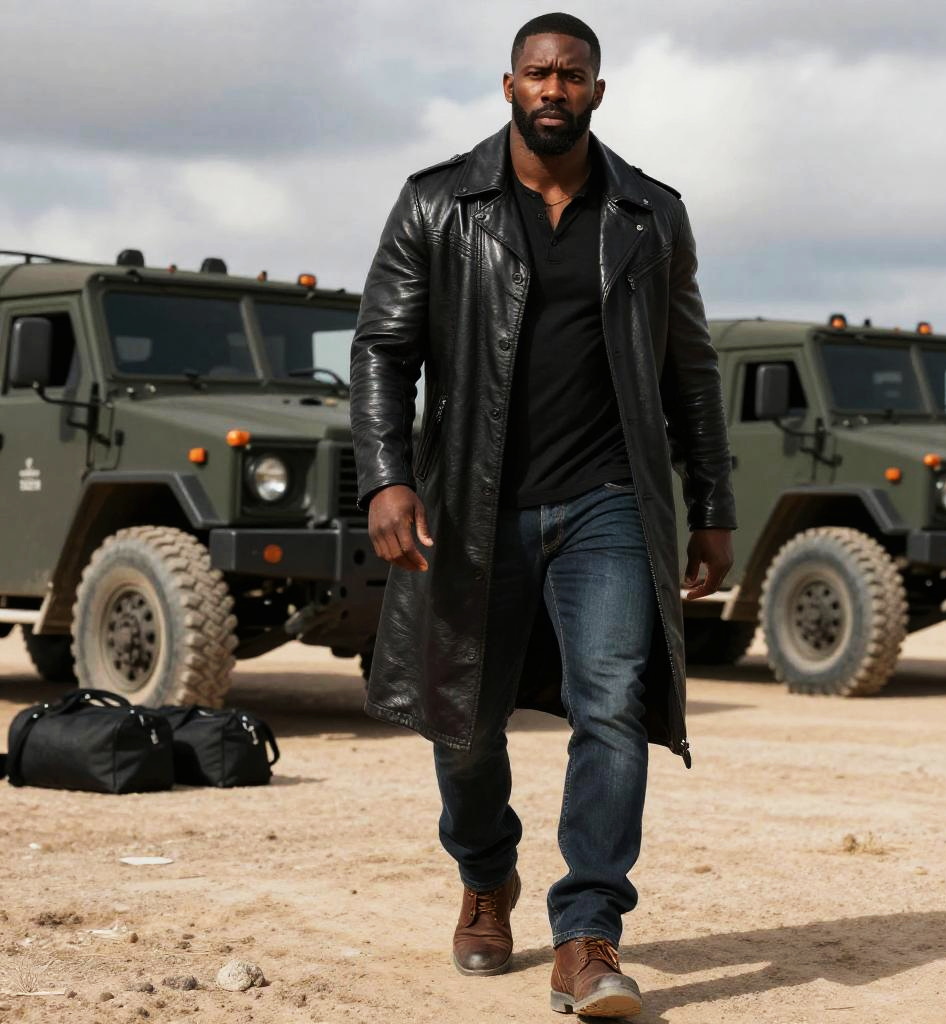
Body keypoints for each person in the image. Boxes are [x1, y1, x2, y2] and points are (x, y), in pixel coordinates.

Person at [350, 12, 735, 1018]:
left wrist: (712, 502)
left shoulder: (649, 213)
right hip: (471, 509)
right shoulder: (439, 203)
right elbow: (384, 349)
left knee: (609, 700)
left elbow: (690, 369)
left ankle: (587, 934)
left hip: (609, 500)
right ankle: (484, 872)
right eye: (537, 72)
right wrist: (387, 474)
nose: (554, 88)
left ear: (597, 92)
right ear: (508, 85)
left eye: (573, 74)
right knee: (464, 718)